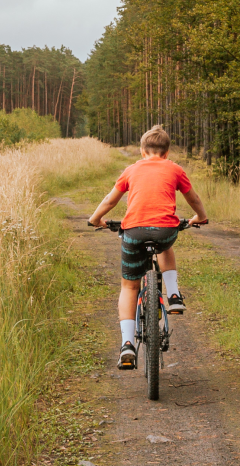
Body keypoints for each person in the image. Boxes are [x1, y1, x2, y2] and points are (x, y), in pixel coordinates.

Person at [87, 125, 209, 370]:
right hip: (165, 231)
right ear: (166, 153)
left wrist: (95, 219)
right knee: (165, 246)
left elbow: (111, 199)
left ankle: (127, 344)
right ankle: (173, 295)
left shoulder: (131, 170)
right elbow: (193, 198)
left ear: (142, 151)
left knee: (129, 286)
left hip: (133, 232)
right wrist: (200, 217)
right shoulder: (175, 169)